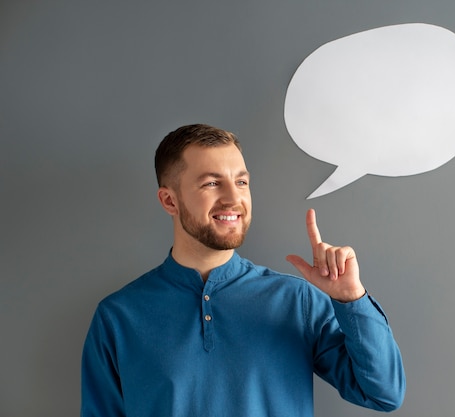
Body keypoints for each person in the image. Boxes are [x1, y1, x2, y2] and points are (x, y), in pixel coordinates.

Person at [81, 124, 405, 417]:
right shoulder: (118, 317)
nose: (233, 198)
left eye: (241, 181)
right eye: (211, 183)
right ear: (169, 201)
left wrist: (352, 299)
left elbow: (383, 393)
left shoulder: (297, 301)